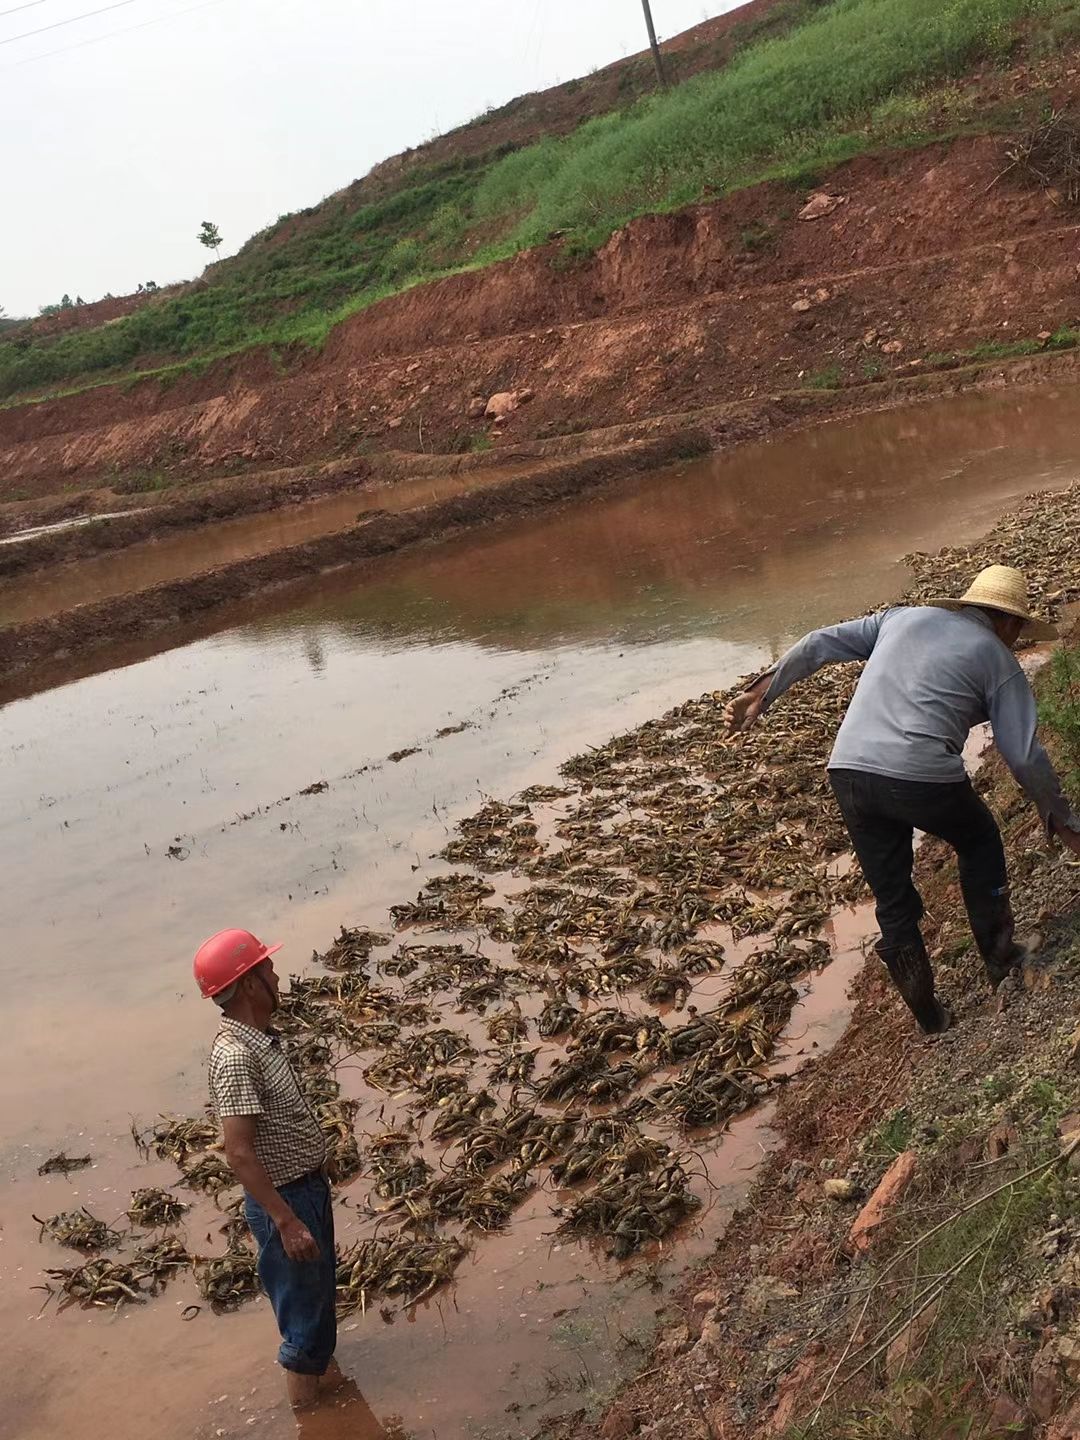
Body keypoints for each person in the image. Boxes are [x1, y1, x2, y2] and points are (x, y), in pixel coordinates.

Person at [724, 565, 1080, 1033]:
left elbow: (817, 643)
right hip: (920, 776)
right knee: (979, 840)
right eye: (1018, 630)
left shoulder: (899, 618)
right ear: (1010, 622)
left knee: (892, 898)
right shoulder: (998, 658)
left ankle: (929, 1017)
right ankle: (1001, 958)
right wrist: (1062, 819)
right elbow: (1024, 754)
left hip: (849, 770)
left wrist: (759, 695)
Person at [194, 927, 340, 1410]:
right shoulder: (236, 1056)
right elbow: (238, 1153)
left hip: (305, 1190)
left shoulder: (259, 1040)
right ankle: (309, 1420)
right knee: (302, 1323)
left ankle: (335, 1405)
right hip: (286, 1202)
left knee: (317, 1304)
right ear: (251, 984)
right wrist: (285, 1220)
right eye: (268, 968)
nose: (277, 974)